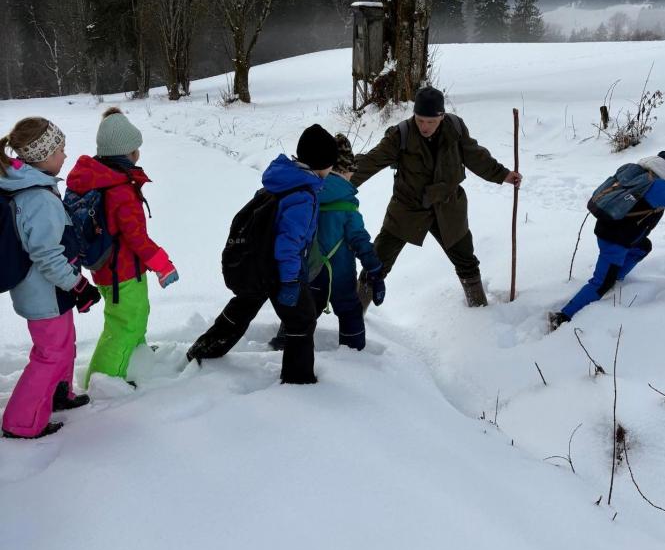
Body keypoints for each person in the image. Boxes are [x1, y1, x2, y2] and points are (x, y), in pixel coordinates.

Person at [186, 124, 339, 384]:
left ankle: (205, 349)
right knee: (302, 321)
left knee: (244, 305)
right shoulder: (302, 196)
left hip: (258, 264)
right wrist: (290, 281)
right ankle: (298, 380)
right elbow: (288, 244)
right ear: (321, 163)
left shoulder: (283, 180)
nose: (331, 169)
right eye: (330, 164)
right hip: (280, 271)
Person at [351, 85, 522, 308]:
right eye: (420, 120)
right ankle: (354, 316)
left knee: (466, 260)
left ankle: (479, 310)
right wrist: (339, 183)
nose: (424, 126)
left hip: (448, 207)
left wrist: (503, 174)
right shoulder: (401, 134)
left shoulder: (456, 129)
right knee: (377, 262)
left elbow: (476, 157)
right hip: (408, 208)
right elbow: (371, 162)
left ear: (441, 116)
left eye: (430, 121)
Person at [0, 118, 100, 439]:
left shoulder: (35, 184)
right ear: (42, 156)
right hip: (44, 293)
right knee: (50, 354)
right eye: (60, 150)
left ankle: (59, 394)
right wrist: (79, 285)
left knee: (64, 344)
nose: (65, 155)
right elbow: (46, 255)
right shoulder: (38, 198)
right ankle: (21, 423)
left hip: (53, 291)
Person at [549, 150, 665, 330]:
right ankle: (563, 317)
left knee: (643, 247)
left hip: (607, 228)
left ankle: (615, 276)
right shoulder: (656, 186)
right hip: (616, 240)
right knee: (600, 283)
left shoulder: (633, 171)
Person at [66, 108, 179, 388]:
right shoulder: (120, 190)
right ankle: (105, 381)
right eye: (135, 149)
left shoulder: (100, 178)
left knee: (135, 316)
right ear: (128, 154)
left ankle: (136, 357)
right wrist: (163, 265)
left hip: (110, 270)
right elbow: (136, 237)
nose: (138, 153)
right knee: (123, 326)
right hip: (123, 273)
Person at [271, 133, 385, 352]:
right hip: (341, 275)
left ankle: (284, 343)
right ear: (344, 171)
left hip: (310, 271)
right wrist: (374, 269)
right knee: (350, 310)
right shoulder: (347, 205)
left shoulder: (306, 193)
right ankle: (354, 353)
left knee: (303, 311)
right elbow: (360, 239)